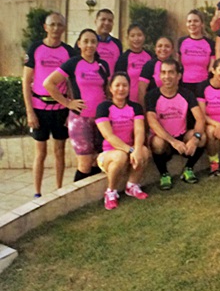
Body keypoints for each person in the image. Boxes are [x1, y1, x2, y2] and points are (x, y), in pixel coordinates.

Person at [43, 28, 110, 182]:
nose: (89, 45)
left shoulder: (103, 65)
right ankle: (76, 194)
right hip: (80, 120)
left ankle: (93, 194)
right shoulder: (73, 63)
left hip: (101, 120)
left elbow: (107, 89)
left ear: (97, 44)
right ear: (79, 43)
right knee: (85, 164)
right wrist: (67, 103)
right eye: (86, 41)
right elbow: (49, 83)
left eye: (93, 41)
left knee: (97, 160)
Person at [22, 12, 76, 198]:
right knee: (40, 152)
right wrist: (30, 112)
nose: (56, 28)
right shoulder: (35, 48)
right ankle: (37, 192)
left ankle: (59, 189)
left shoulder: (68, 52)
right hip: (39, 108)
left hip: (60, 108)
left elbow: (70, 83)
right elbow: (26, 81)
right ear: (45, 27)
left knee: (59, 151)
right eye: (52, 24)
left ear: (64, 28)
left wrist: (70, 110)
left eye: (59, 25)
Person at [146, 58, 206, 189]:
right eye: (163, 72)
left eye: (171, 72)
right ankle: (164, 174)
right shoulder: (152, 95)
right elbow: (152, 121)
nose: (166, 76)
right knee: (157, 142)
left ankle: (188, 169)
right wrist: (172, 141)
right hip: (165, 140)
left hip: (182, 138)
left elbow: (200, 119)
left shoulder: (187, 94)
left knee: (202, 137)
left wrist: (195, 139)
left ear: (178, 76)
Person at [95, 72, 150, 209]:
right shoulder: (103, 108)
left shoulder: (135, 107)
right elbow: (109, 136)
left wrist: (137, 150)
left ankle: (132, 185)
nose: (121, 89)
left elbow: (139, 131)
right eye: (117, 85)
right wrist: (131, 150)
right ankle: (110, 192)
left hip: (129, 150)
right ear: (111, 88)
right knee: (120, 156)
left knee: (143, 151)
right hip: (109, 153)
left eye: (125, 85)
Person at [177, 10, 215, 97]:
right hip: (184, 85)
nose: (192, 24)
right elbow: (179, 64)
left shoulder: (210, 43)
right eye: (189, 21)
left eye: (196, 21)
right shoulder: (181, 41)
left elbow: (211, 68)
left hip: (203, 84)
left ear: (202, 24)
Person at [114, 24, 153, 103]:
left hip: (148, 100)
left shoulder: (150, 56)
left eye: (139, 35)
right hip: (129, 101)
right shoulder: (123, 58)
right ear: (127, 38)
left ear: (144, 37)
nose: (136, 39)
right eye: (132, 36)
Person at [137, 36, 175, 105]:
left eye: (167, 46)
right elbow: (141, 90)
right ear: (155, 49)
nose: (163, 49)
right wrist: (143, 108)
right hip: (153, 105)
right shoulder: (149, 65)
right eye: (160, 46)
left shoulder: (176, 65)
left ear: (172, 49)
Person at [94, 8, 122, 80]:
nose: (106, 23)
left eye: (110, 20)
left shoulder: (117, 44)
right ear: (95, 21)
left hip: (111, 84)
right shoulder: (87, 41)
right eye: (103, 19)